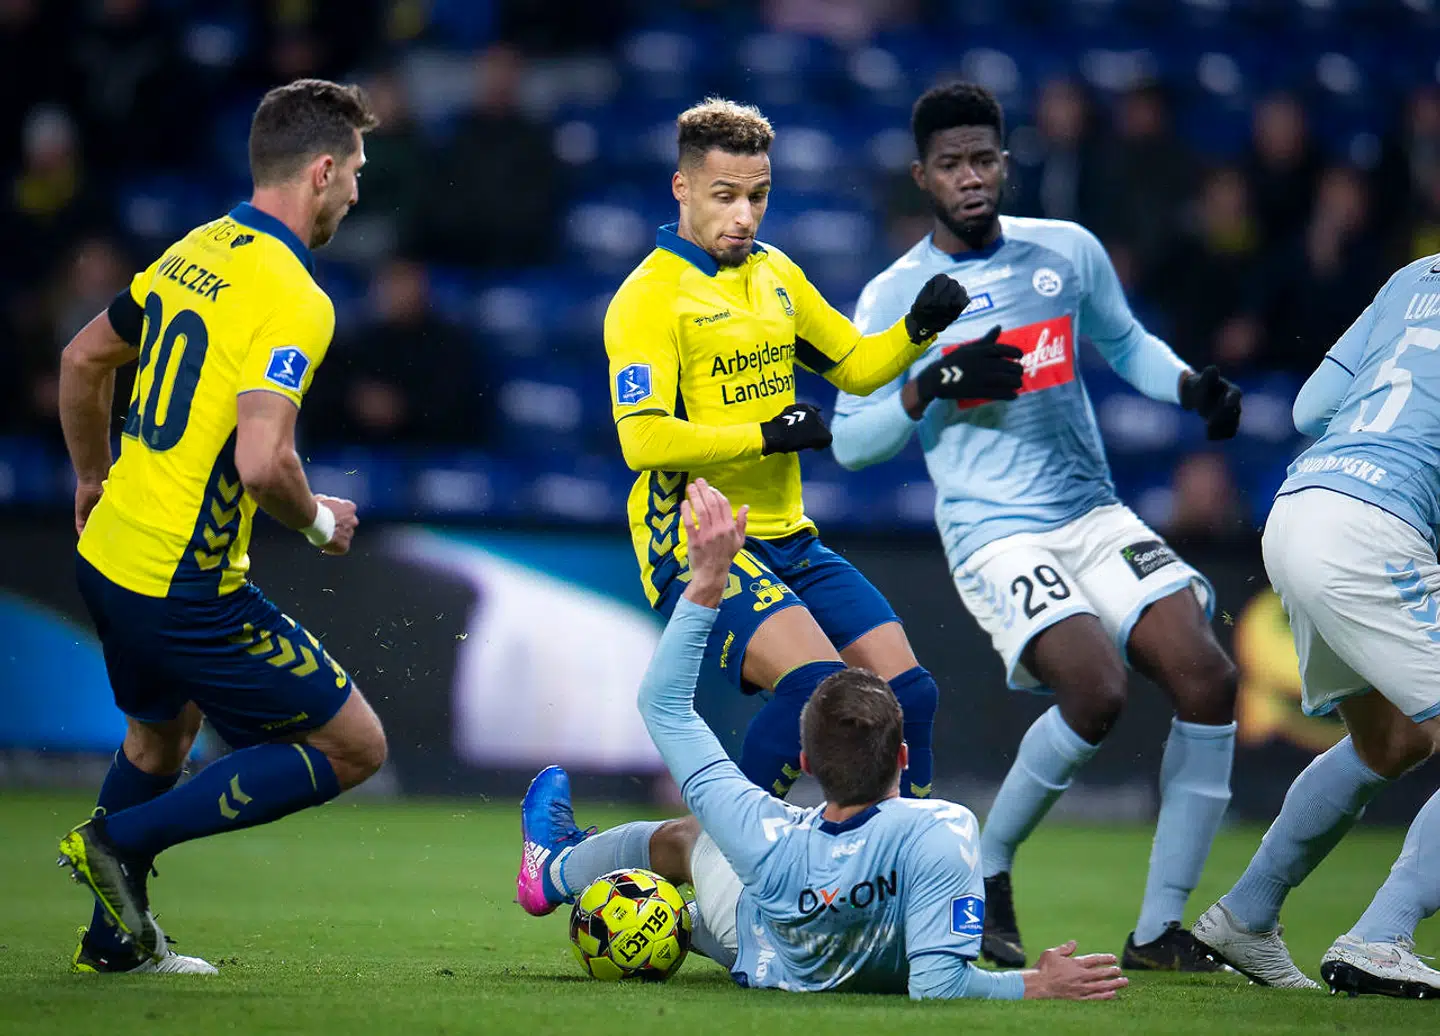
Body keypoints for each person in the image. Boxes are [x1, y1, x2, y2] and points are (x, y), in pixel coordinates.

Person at [830, 82, 1243, 973]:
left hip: (1092, 511)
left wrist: (1188, 387)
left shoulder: (1066, 252)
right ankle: (988, 866)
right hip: (994, 530)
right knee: (1095, 691)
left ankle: (1159, 931)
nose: (970, 178)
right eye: (951, 165)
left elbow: (1125, 341)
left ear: (1006, 164)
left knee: (1208, 678)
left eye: (984, 160)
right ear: (921, 177)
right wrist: (929, 382)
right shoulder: (896, 297)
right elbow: (854, 442)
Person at [517, 478, 1129, 1002]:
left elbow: (664, 707)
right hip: (798, 946)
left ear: (805, 761)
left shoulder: (760, 830)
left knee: (691, 836)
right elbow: (938, 985)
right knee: (708, 849)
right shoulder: (942, 831)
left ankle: (563, 870)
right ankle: (654, 910)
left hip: (758, 944)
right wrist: (1038, 982)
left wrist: (707, 581)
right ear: (904, 755)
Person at [592, 97, 1022, 824]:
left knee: (908, 695)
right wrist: (764, 434)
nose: (744, 215)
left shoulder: (775, 274)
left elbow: (853, 365)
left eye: (758, 196)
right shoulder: (648, 300)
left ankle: (906, 863)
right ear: (683, 188)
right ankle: (732, 857)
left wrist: (918, 327)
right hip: (698, 539)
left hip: (788, 534)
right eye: (725, 196)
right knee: (815, 686)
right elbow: (643, 439)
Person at [54, 79, 387, 974]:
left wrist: (91, 476)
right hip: (182, 585)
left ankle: (112, 944)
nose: (357, 194)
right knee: (354, 745)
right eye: (354, 173)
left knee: (159, 737)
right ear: (321, 171)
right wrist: (319, 522)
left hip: (108, 554)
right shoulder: (295, 294)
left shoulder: (195, 248)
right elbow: (263, 462)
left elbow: (83, 358)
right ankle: (119, 843)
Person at [1193, 252, 1440, 998]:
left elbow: (1305, 412)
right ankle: (1381, 934)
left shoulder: (1413, 275)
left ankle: (1247, 912)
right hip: (1372, 532)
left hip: (1302, 503)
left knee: (1390, 739)